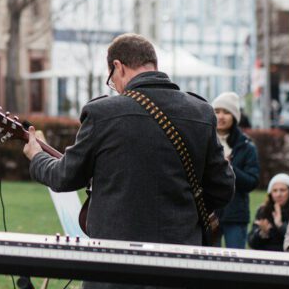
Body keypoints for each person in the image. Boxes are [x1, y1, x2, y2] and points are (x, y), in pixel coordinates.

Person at [25, 33, 235, 247]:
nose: (114, 86)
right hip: (179, 258)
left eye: (111, 79)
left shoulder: (102, 114)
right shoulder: (201, 113)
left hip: (115, 259)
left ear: (119, 66)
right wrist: (183, 212)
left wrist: (37, 156)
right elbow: (223, 188)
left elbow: (64, 176)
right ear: (153, 64)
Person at [213, 92, 259, 249]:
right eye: (216, 111)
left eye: (226, 112)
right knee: (207, 264)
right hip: (209, 214)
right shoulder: (204, 140)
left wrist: (230, 168)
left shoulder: (246, 146)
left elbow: (252, 182)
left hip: (235, 216)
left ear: (235, 117)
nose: (220, 116)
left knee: (235, 264)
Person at [248, 173, 289, 251]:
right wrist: (262, 233)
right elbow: (251, 243)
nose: (278, 194)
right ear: (270, 194)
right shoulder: (263, 210)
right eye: (274, 190)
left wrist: (280, 225)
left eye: (282, 190)